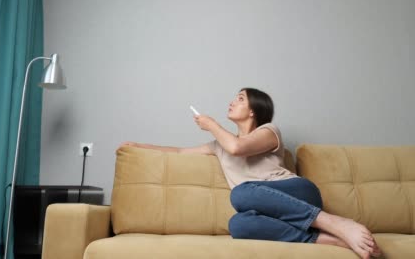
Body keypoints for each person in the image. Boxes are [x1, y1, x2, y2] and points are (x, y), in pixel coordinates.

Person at [117, 88, 382, 259]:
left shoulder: (268, 132)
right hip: (267, 208)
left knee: (241, 193)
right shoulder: (218, 145)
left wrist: (211, 125)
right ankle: (329, 239)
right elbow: (178, 152)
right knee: (239, 225)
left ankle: (334, 222)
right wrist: (138, 146)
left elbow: (237, 147)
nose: (232, 101)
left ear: (253, 110)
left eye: (240, 98)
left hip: (298, 193)